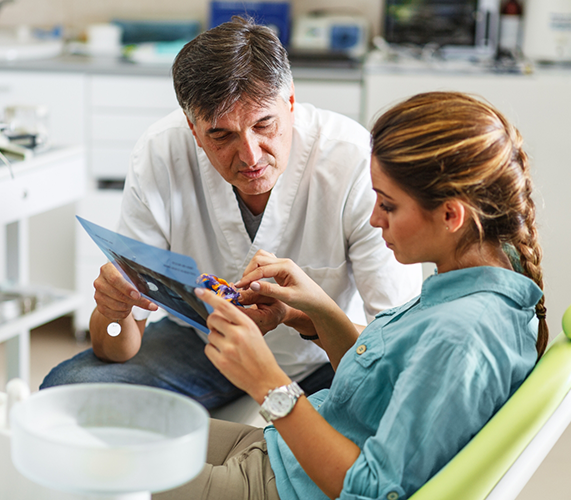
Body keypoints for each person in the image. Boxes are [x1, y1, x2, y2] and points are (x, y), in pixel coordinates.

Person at [154, 91, 549, 500]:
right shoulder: (477, 283)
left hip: (282, 488)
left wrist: (268, 384)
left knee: (94, 471)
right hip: (281, 457)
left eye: (389, 205)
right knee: (118, 429)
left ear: (451, 215)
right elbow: (375, 392)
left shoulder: (462, 337)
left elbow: (370, 490)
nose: (375, 218)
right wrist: (311, 311)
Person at [40, 17, 421, 408]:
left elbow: (398, 345)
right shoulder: (161, 152)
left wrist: (298, 315)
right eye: (221, 135)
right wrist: (112, 311)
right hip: (204, 345)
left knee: (381, 415)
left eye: (264, 125)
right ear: (193, 129)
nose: (250, 156)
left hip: (321, 359)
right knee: (67, 389)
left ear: (290, 101)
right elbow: (115, 349)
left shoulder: (354, 160)